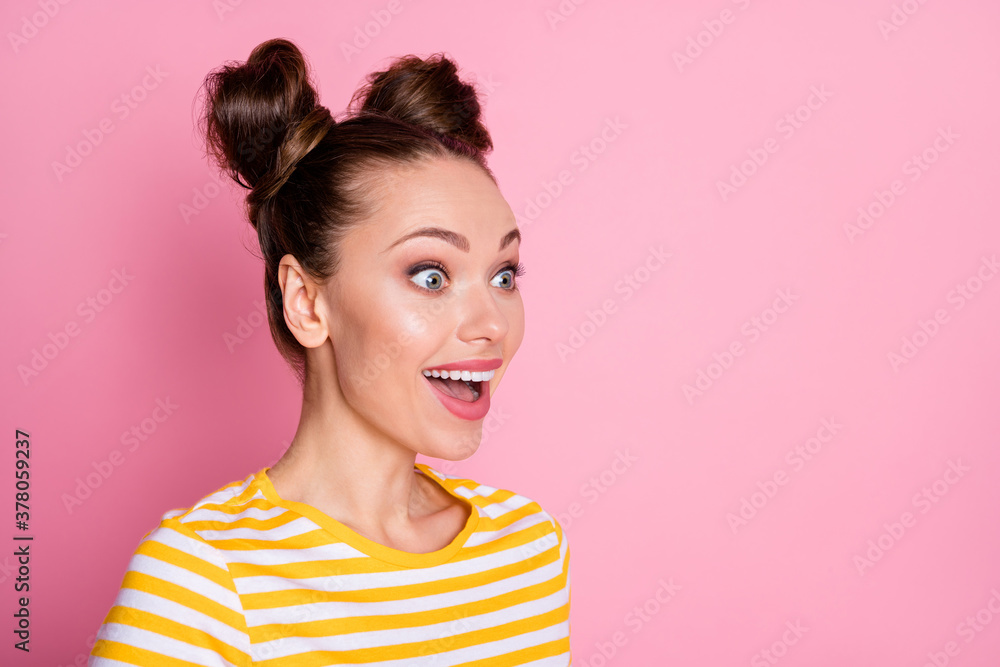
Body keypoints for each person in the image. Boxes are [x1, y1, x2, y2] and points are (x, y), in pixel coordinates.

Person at [88, 38, 571, 665]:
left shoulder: (529, 551)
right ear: (308, 303)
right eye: (431, 275)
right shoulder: (205, 581)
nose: (490, 325)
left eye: (503, 276)